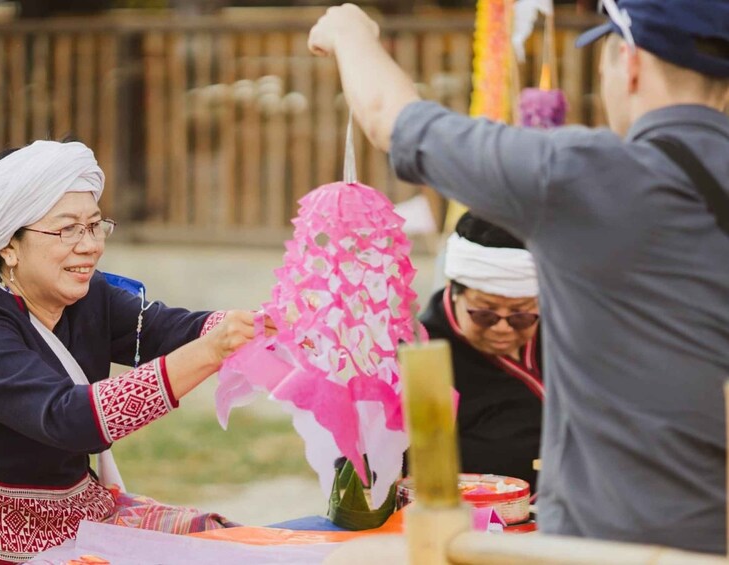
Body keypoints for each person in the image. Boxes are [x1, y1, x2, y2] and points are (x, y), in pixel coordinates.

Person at [308, 0, 729, 554]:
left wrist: (349, 30)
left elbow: (391, 117)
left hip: (614, 544)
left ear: (627, 62)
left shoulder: (584, 176)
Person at [0, 140, 273, 564]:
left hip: (72, 521)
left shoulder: (90, 298)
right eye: (66, 229)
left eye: (93, 226)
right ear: (8, 245)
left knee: (223, 542)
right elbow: (70, 419)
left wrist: (262, 327)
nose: (89, 245)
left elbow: (172, 330)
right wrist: (209, 353)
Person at [420, 211, 542, 489]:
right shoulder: (420, 353)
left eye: (521, 315)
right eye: (484, 314)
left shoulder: (567, 334)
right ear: (454, 291)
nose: (503, 328)